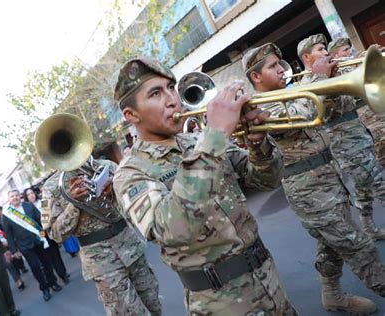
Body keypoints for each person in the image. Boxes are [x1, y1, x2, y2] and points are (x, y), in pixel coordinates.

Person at [112, 57, 296, 315]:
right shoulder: (130, 173)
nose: (172, 99)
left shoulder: (197, 140)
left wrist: (257, 142)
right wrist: (215, 135)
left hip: (268, 279)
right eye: (155, 93)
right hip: (219, 302)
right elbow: (171, 230)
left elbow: (266, 180)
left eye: (170, 87)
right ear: (132, 115)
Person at [243, 42, 385, 314]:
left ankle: (332, 295)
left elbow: (325, 114)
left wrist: (333, 83)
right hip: (308, 191)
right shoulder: (259, 107)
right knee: (357, 246)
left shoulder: (291, 92)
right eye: (273, 66)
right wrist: (318, 77)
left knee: (330, 246)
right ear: (256, 77)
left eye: (280, 63)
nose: (282, 70)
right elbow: (301, 115)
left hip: (329, 178)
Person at [44, 159, 162, 315]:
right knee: (128, 312)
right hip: (100, 260)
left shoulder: (105, 166)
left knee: (153, 302)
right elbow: (55, 234)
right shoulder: (50, 188)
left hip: (129, 244)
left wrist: (115, 189)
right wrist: (74, 204)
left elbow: (136, 198)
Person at [299, 34, 385, 240]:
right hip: (345, 146)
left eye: (324, 48)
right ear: (307, 58)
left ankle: (369, 227)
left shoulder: (336, 73)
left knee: (364, 189)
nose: (325, 52)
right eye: (320, 50)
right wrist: (326, 79)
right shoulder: (307, 84)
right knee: (380, 183)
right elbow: (320, 114)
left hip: (361, 136)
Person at [328, 38, 385, 167]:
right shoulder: (339, 73)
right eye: (345, 50)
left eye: (349, 49)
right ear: (334, 55)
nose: (349, 52)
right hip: (368, 121)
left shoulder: (358, 62)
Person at [2, 189, 62, 302]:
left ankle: (53, 282)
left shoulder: (29, 206)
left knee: (46, 263)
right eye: (12, 196)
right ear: (9, 199)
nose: (14, 198)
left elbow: (40, 219)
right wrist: (14, 250)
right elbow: (9, 234)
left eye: (16, 195)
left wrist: (44, 235)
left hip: (39, 240)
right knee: (35, 267)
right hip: (24, 246)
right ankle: (44, 288)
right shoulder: (7, 214)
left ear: (19, 197)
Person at [23, 187, 70, 284]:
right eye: (28, 195)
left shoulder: (43, 202)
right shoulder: (25, 209)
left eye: (32, 193)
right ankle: (53, 279)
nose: (31, 195)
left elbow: (50, 215)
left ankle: (63, 273)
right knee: (47, 260)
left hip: (49, 232)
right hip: (38, 236)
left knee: (56, 255)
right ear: (26, 197)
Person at [0, 213, 25, 290]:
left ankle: (19, 275)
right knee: (9, 265)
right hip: (1, 250)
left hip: (11, 246)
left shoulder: (3, 224)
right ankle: (18, 281)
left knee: (15, 262)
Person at [0, 205, 29, 275]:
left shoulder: (6, 217)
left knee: (16, 252)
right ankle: (17, 270)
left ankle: (22, 266)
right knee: (11, 255)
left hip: (11, 238)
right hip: (4, 241)